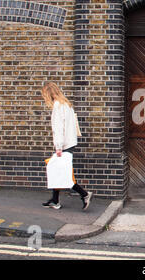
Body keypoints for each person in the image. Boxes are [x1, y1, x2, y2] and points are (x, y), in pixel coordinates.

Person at [41, 82, 93, 210]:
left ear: (49, 94)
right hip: (70, 143)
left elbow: (59, 129)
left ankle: (84, 194)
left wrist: (58, 147)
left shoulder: (58, 106)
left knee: (64, 175)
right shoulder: (67, 105)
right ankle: (55, 200)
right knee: (58, 171)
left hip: (63, 145)